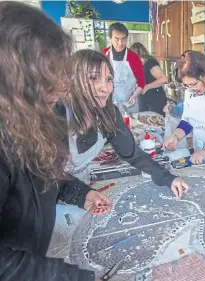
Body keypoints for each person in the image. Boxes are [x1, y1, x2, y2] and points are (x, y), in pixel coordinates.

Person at [0, 2, 106, 280]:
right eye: (48, 73)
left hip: (34, 256)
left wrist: (81, 194)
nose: (61, 86)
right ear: (14, 76)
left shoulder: (42, 112)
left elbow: (43, 175)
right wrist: (75, 277)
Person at [58, 49, 189, 199]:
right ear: (74, 81)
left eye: (108, 79)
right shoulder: (57, 116)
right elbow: (45, 177)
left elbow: (133, 154)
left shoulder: (109, 114)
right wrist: (82, 195)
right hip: (50, 198)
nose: (105, 88)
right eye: (94, 78)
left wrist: (168, 178)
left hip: (83, 189)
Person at [101, 22, 145, 113]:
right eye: (117, 39)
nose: (121, 43)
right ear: (110, 38)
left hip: (130, 104)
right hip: (109, 104)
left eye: (124, 39)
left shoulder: (134, 57)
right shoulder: (103, 55)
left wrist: (134, 96)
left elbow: (141, 83)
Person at [130, 42, 168, 116]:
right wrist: (134, 96)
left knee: (156, 124)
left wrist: (147, 87)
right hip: (143, 99)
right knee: (143, 122)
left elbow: (164, 79)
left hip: (155, 99)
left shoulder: (150, 62)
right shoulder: (138, 65)